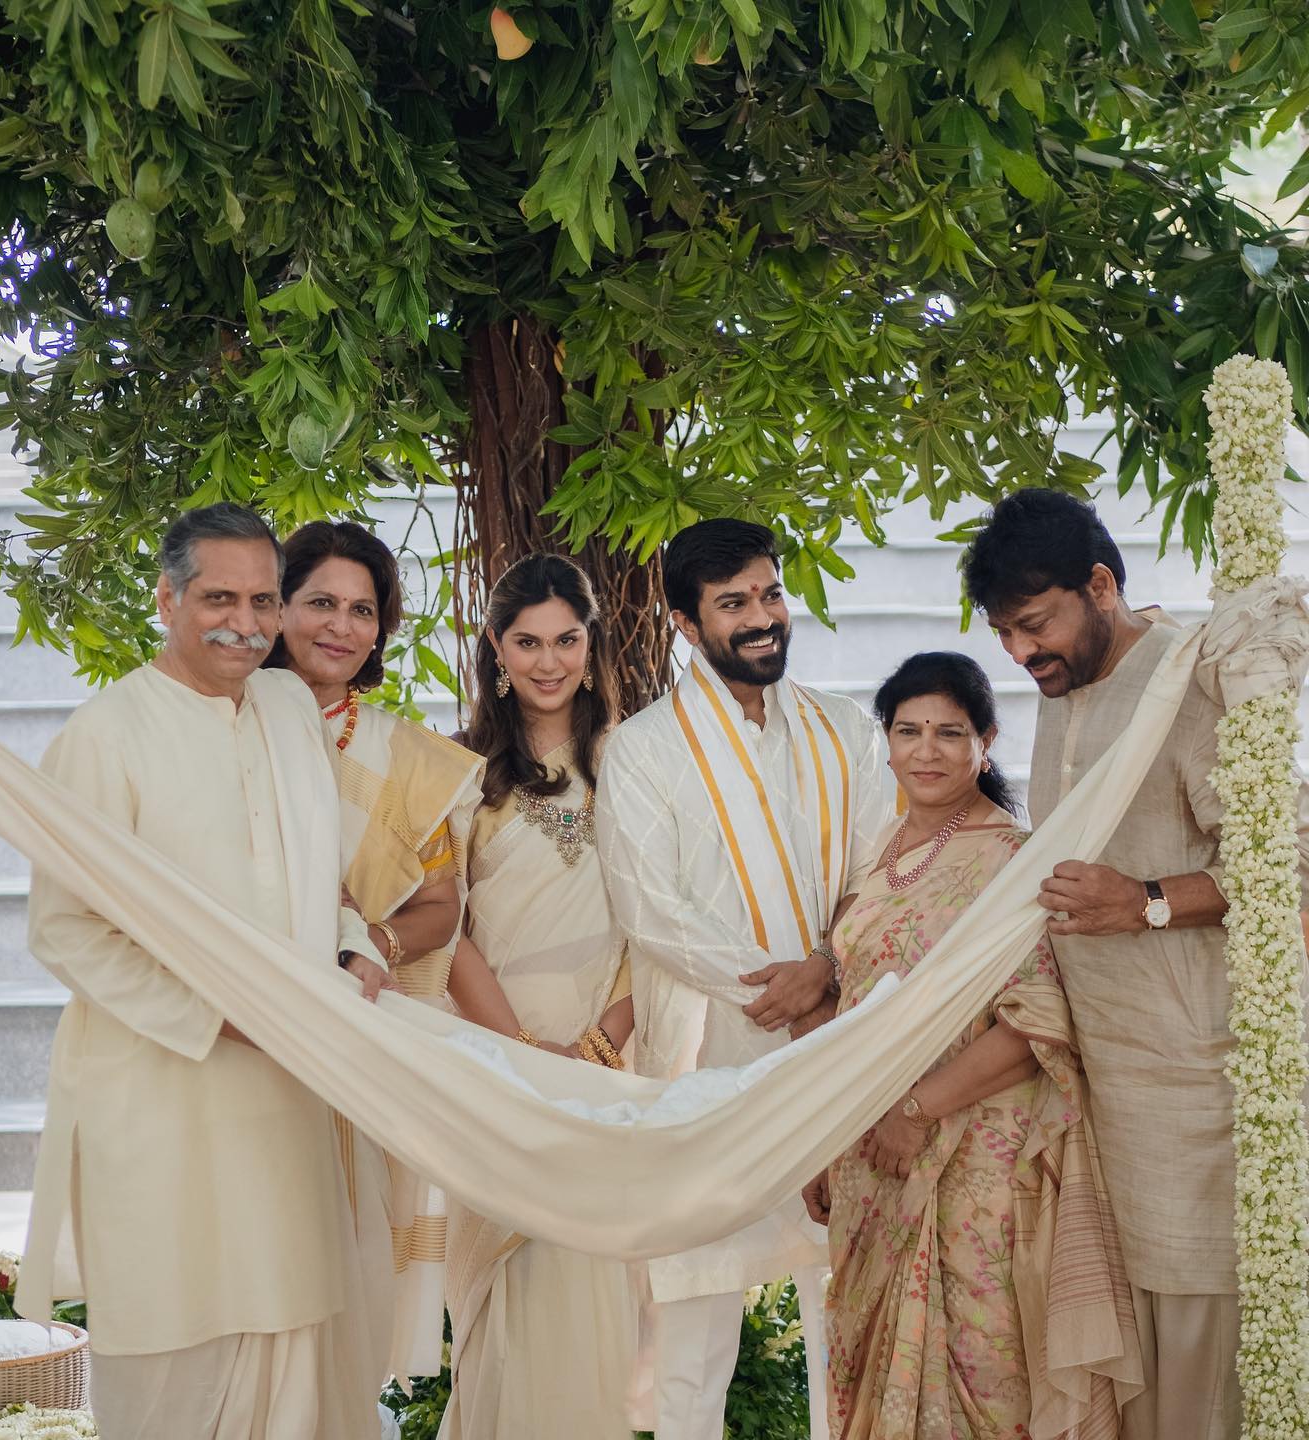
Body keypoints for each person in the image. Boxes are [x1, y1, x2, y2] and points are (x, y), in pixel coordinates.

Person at [19, 503, 392, 1440]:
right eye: (220, 598)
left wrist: (354, 944)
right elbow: (65, 929)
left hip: (289, 1100)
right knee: (169, 1353)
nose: (246, 623)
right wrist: (219, 1015)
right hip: (162, 1098)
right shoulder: (105, 735)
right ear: (167, 598)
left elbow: (318, 878)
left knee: (296, 1330)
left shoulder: (288, 710)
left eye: (263, 600)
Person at [961, 489, 1309, 1440]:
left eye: (1035, 624)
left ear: (1101, 587)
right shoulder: (1064, 688)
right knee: (1131, 1390)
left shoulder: (1189, 683)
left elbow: (1287, 858)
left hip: (1200, 1092)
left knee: (1202, 1371)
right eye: (1004, 633)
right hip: (1098, 1098)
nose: (1020, 654)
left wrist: (1146, 901)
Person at [597, 518, 896, 1440]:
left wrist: (828, 973)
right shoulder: (643, 748)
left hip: (842, 1042)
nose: (762, 617)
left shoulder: (845, 730)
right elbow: (651, 909)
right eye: (733, 603)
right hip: (710, 1057)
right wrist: (785, 994)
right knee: (697, 1307)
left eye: (770, 594)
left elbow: (884, 872)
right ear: (687, 624)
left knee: (849, 1299)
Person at [802, 651, 1139, 1438]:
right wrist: (822, 1142)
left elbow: (1037, 1021)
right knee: (870, 1361)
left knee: (985, 1367)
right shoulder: (876, 853)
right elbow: (847, 1003)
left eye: (950, 732)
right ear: (887, 741)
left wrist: (916, 1111)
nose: (927, 750)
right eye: (909, 730)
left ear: (985, 743)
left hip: (973, 1153)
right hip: (868, 1154)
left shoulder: (1015, 859)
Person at [266, 519, 484, 1384]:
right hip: (246, 1028)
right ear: (276, 607)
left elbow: (441, 906)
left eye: (364, 611)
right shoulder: (224, 726)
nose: (342, 626)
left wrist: (372, 943)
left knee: (348, 1283)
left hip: (360, 1031)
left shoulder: (410, 760)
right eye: (321, 602)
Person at [437, 553, 637, 1440]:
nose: (548, 662)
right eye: (527, 642)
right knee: (504, 1285)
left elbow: (659, 929)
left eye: (565, 641)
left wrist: (595, 1049)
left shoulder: (636, 765)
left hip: (609, 1061)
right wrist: (521, 1054)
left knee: (585, 1275)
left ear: (591, 647)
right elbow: (445, 929)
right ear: (496, 647)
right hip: (493, 1060)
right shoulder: (457, 770)